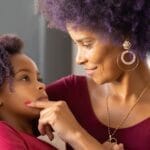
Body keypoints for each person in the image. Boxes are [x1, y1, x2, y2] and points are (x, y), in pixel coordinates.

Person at [28, 0, 150, 150]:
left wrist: (76, 135)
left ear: (126, 38)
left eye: (87, 44)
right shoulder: (70, 92)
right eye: (76, 44)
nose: (79, 59)